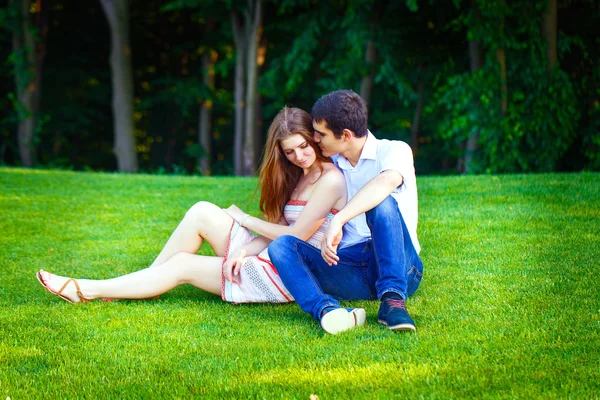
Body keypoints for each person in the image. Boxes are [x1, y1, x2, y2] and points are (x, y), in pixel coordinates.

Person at [36, 106, 366, 328]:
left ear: (315, 139)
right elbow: (281, 229)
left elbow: (296, 238)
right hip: (269, 253)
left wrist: (245, 220)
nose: (298, 156)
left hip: (290, 273)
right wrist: (244, 250)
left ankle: (86, 290)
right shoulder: (299, 174)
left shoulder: (330, 180)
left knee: (182, 264)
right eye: (289, 151)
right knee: (202, 211)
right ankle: (144, 282)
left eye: (304, 147)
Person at [268, 90, 423, 334]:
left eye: (320, 134)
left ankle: (393, 301)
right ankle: (328, 311)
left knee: (381, 203)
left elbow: (385, 183)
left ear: (346, 135)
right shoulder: (334, 164)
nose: (315, 139)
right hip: (352, 266)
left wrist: (339, 220)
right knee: (281, 246)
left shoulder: (394, 151)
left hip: (401, 267)